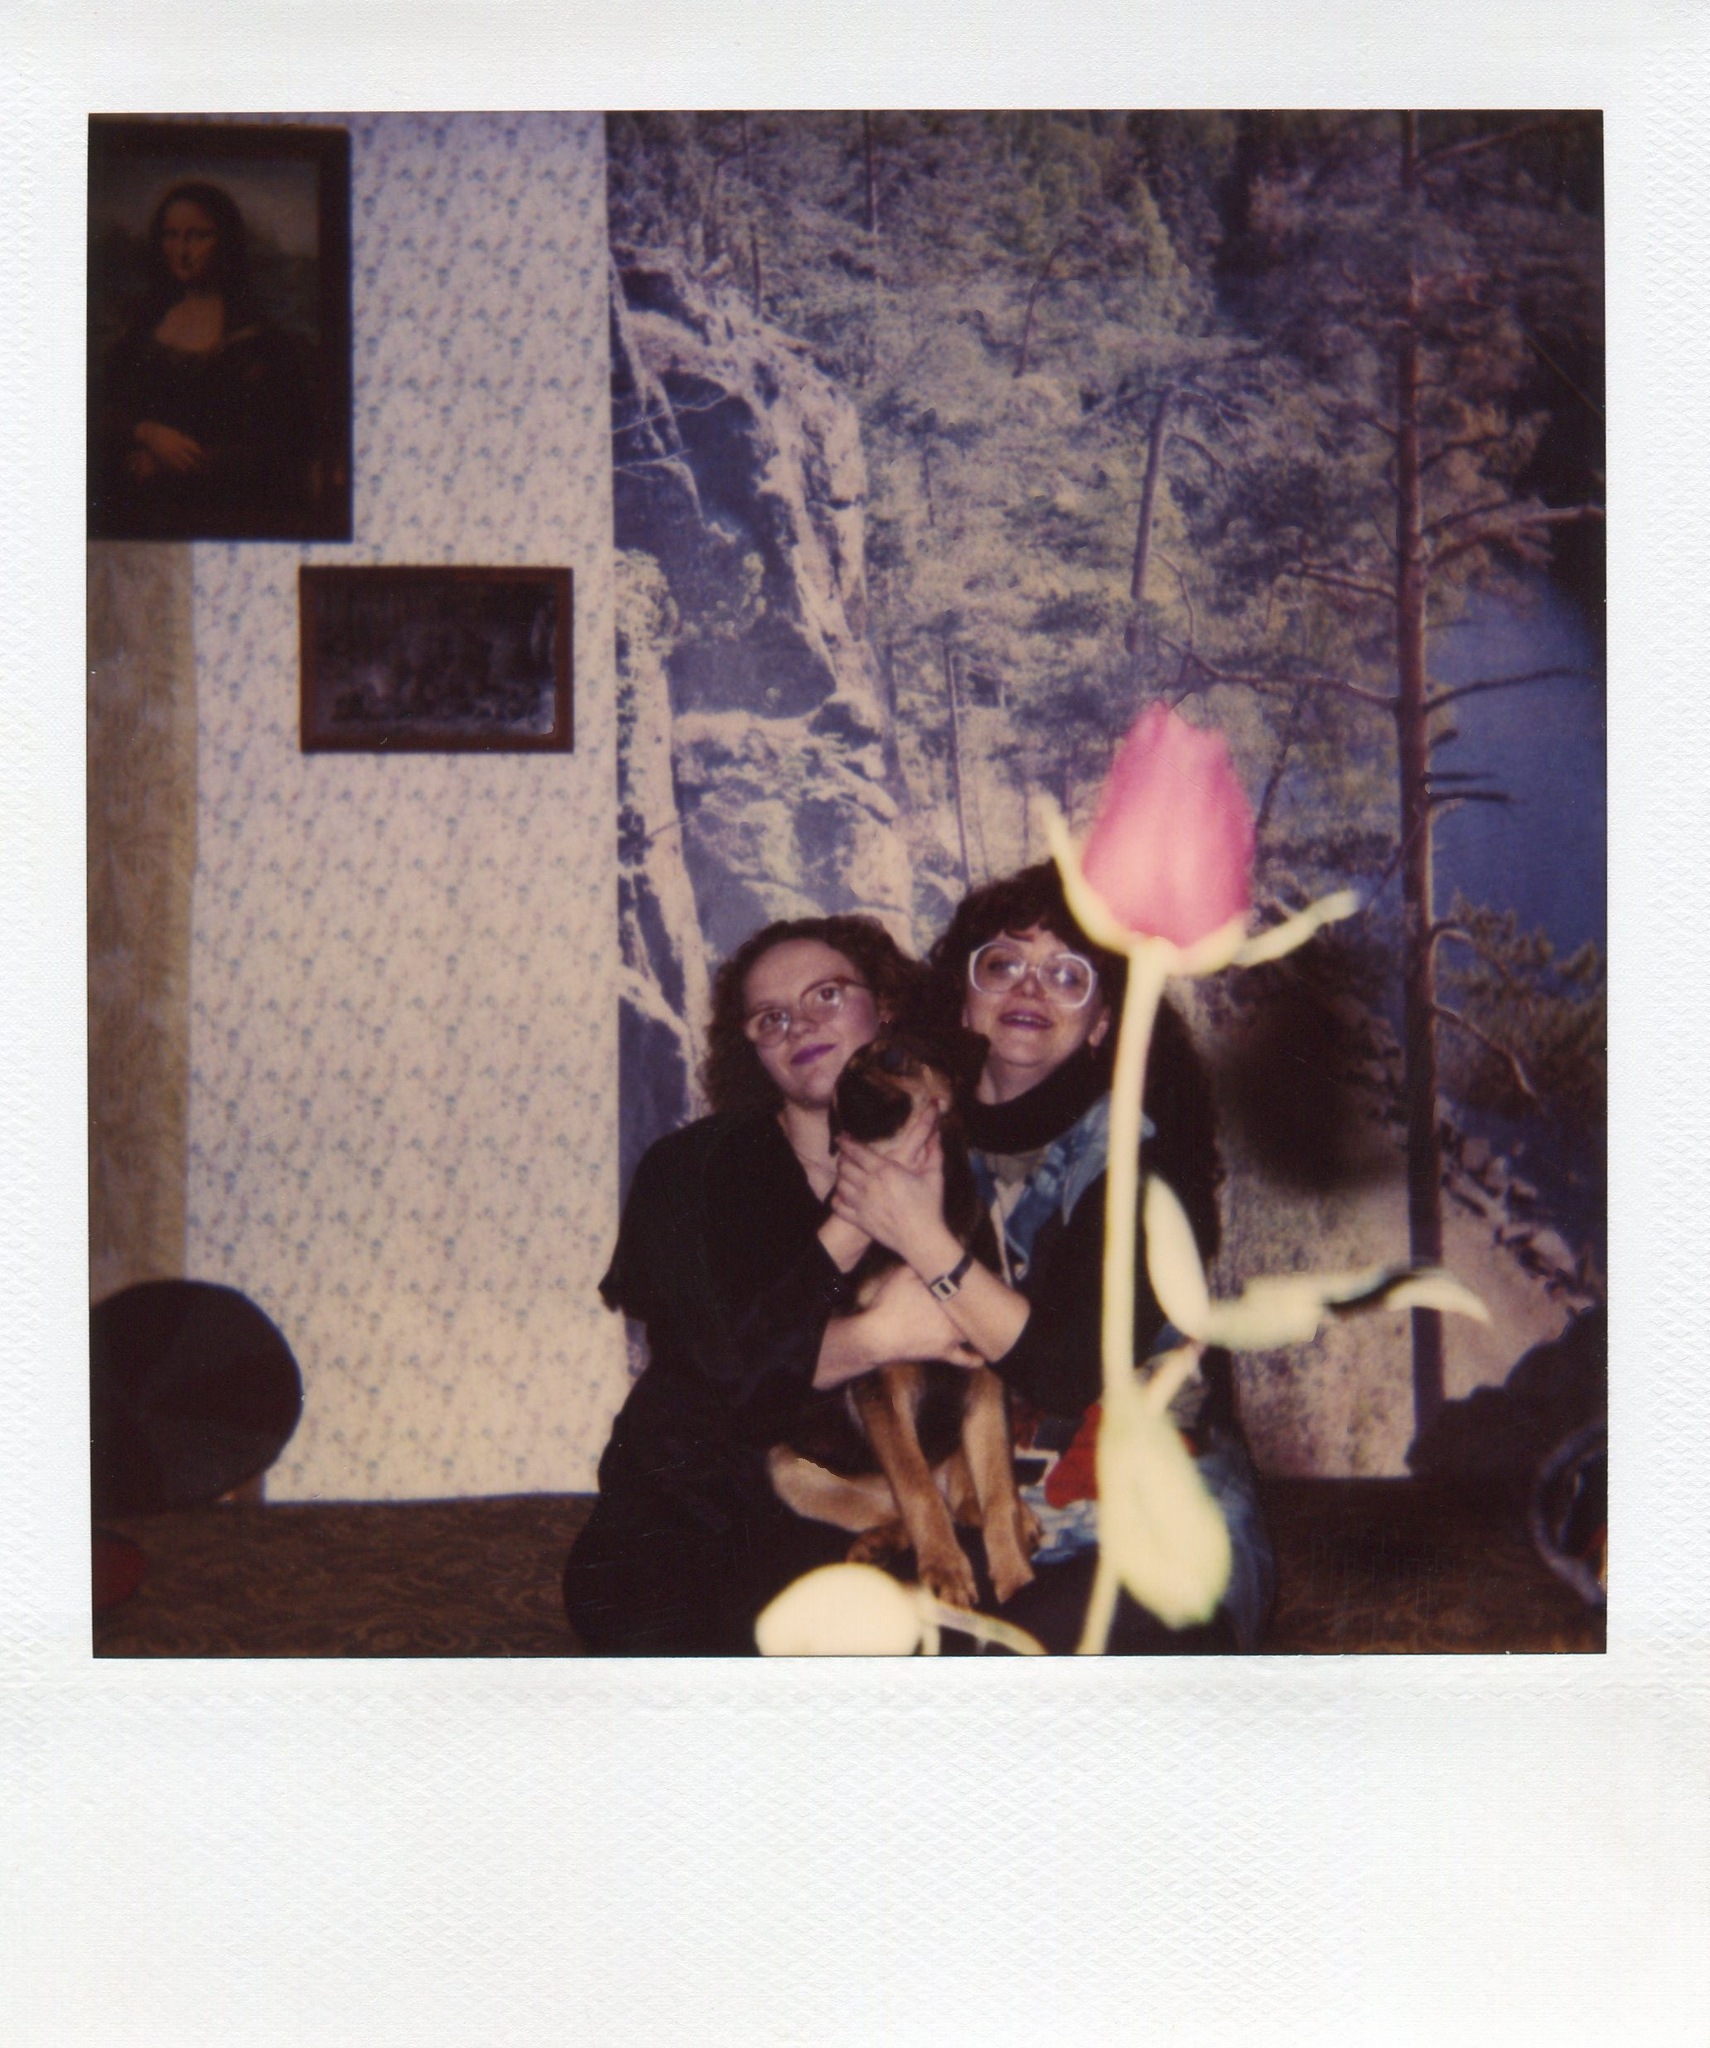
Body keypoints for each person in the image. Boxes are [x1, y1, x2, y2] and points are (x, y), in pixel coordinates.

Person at [829, 861, 1275, 1652]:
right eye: (1003, 965)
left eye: (1069, 975)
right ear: (963, 999)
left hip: (1153, 1538)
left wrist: (924, 1239)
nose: (1031, 988)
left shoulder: (1137, 1159)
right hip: (993, 1526)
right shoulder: (913, 1133)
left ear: (1103, 1021)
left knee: (1018, 1667)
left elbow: (1068, 1368)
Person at [563, 915, 985, 1655]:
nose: (801, 1025)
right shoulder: (688, 1172)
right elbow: (720, 1382)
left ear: (885, 1006)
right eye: (771, 1018)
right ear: (751, 1049)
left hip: (867, 1519)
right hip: (686, 1530)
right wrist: (871, 1317)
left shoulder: (958, 1168)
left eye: (827, 995)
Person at [91, 181, 315, 539]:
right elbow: (99, 407)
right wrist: (146, 433)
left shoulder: (257, 340)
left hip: (219, 513)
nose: (182, 251)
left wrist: (172, 464)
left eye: (198, 236)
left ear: (226, 242)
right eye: (171, 235)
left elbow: (278, 449)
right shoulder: (143, 324)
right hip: (131, 509)